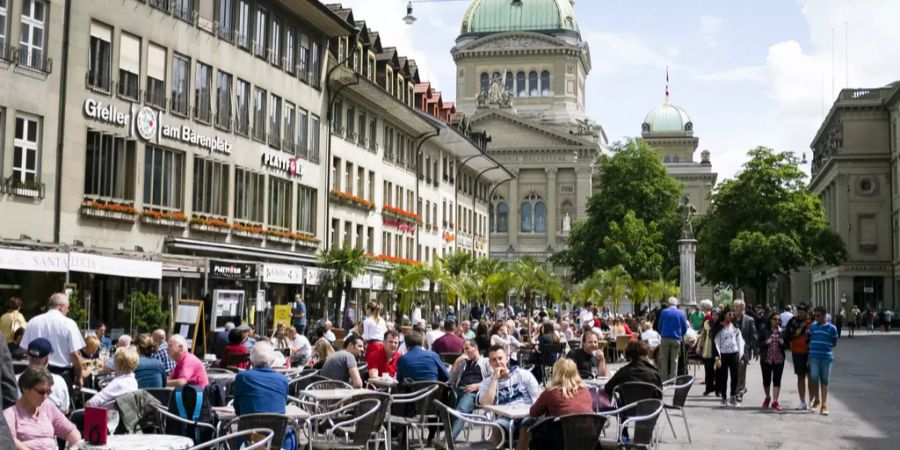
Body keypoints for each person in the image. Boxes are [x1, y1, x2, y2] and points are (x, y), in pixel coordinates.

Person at [232, 341, 294, 449]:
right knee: (291, 434)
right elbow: (282, 404)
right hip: (276, 442)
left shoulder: (242, 377)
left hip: (248, 442)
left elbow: (237, 410)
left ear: (251, 359)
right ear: (272, 360)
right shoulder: (283, 379)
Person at [477, 345, 541, 448]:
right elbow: (485, 404)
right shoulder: (487, 382)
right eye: (493, 360)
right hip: (505, 418)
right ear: (490, 363)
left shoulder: (524, 375)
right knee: (496, 427)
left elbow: (537, 399)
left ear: (507, 359)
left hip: (526, 415)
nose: (498, 362)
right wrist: (495, 379)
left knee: (527, 426)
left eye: (500, 358)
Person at [4, 366, 82, 450]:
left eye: (48, 392)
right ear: (25, 388)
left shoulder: (48, 407)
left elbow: (71, 431)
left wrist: (75, 445)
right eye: (41, 392)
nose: (45, 396)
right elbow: (10, 441)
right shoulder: (10, 413)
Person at [20, 293, 85, 388]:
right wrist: (79, 377)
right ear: (62, 307)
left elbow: (24, 349)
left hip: (36, 372)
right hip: (61, 374)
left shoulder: (33, 321)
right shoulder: (69, 324)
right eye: (68, 308)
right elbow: (74, 354)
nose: (68, 311)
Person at [448, 340, 492, 441]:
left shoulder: (486, 362)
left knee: (461, 411)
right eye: (463, 349)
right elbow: (451, 380)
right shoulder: (463, 363)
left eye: (467, 348)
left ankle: (449, 440)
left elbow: (493, 379)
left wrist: (478, 386)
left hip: (473, 392)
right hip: (458, 390)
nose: (465, 352)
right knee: (444, 408)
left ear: (475, 348)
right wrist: (456, 362)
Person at [17, 338, 69, 413]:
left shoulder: (14, 380)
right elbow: (64, 411)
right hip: (52, 423)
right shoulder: (60, 382)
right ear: (46, 360)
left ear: (28, 357)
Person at [808, 306, 839, 416]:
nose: (816, 318)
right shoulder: (812, 327)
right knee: (814, 378)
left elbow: (834, 343)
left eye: (818, 316)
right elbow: (811, 340)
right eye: (815, 316)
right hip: (814, 357)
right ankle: (817, 399)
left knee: (824, 381)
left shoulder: (832, 328)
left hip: (826, 357)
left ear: (824, 315)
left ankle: (824, 405)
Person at [713, 307, 744, 407]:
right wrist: (717, 358)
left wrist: (742, 355)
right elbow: (714, 343)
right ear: (724, 315)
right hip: (723, 354)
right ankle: (723, 398)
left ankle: (733, 397)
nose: (731, 316)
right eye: (729, 314)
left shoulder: (735, 326)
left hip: (734, 353)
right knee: (723, 377)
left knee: (735, 376)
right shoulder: (718, 326)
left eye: (732, 314)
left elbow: (740, 340)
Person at [785, 304, 812, 410]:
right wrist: (797, 333)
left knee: (811, 377)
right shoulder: (792, 321)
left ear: (807, 312)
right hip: (797, 352)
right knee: (800, 376)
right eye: (799, 311)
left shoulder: (812, 322)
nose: (800, 313)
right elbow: (788, 334)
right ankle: (802, 402)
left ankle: (812, 401)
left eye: (802, 311)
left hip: (810, 352)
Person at [758, 312, 786, 411]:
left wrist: (783, 343)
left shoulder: (782, 331)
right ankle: (767, 397)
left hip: (779, 359)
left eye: (778, 320)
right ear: (770, 320)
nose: (777, 321)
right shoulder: (764, 331)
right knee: (766, 380)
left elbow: (787, 345)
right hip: (766, 359)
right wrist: (766, 342)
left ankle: (775, 401)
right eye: (775, 319)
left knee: (777, 380)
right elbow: (758, 343)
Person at [657, 297, 688, 383]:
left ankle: (664, 379)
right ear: (676, 304)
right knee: (674, 360)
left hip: (665, 337)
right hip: (676, 339)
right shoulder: (681, 313)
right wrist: (681, 334)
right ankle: (673, 379)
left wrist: (661, 332)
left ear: (668, 304)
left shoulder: (664, 312)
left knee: (664, 359)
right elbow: (684, 327)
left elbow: (659, 325)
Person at [732, 299, 758, 401]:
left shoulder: (749, 320)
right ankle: (738, 389)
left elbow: (754, 335)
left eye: (736, 307)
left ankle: (739, 392)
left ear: (742, 308)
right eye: (733, 306)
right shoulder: (730, 319)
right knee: (734, 372)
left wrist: (755, 350)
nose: (734, 308)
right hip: (731, 350)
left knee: (741, 371)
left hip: (744, 350)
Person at [699, 308, 720, 397]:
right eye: (713, 315)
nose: (714, 317)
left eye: (716, 315)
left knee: (719, 371)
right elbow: (703, 335)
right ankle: (708, 388)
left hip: (718, 350)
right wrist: (699, 346)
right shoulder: (707, 323)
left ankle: (718, 390)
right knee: (708, 371)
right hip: (708, 349)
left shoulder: (722, 324)